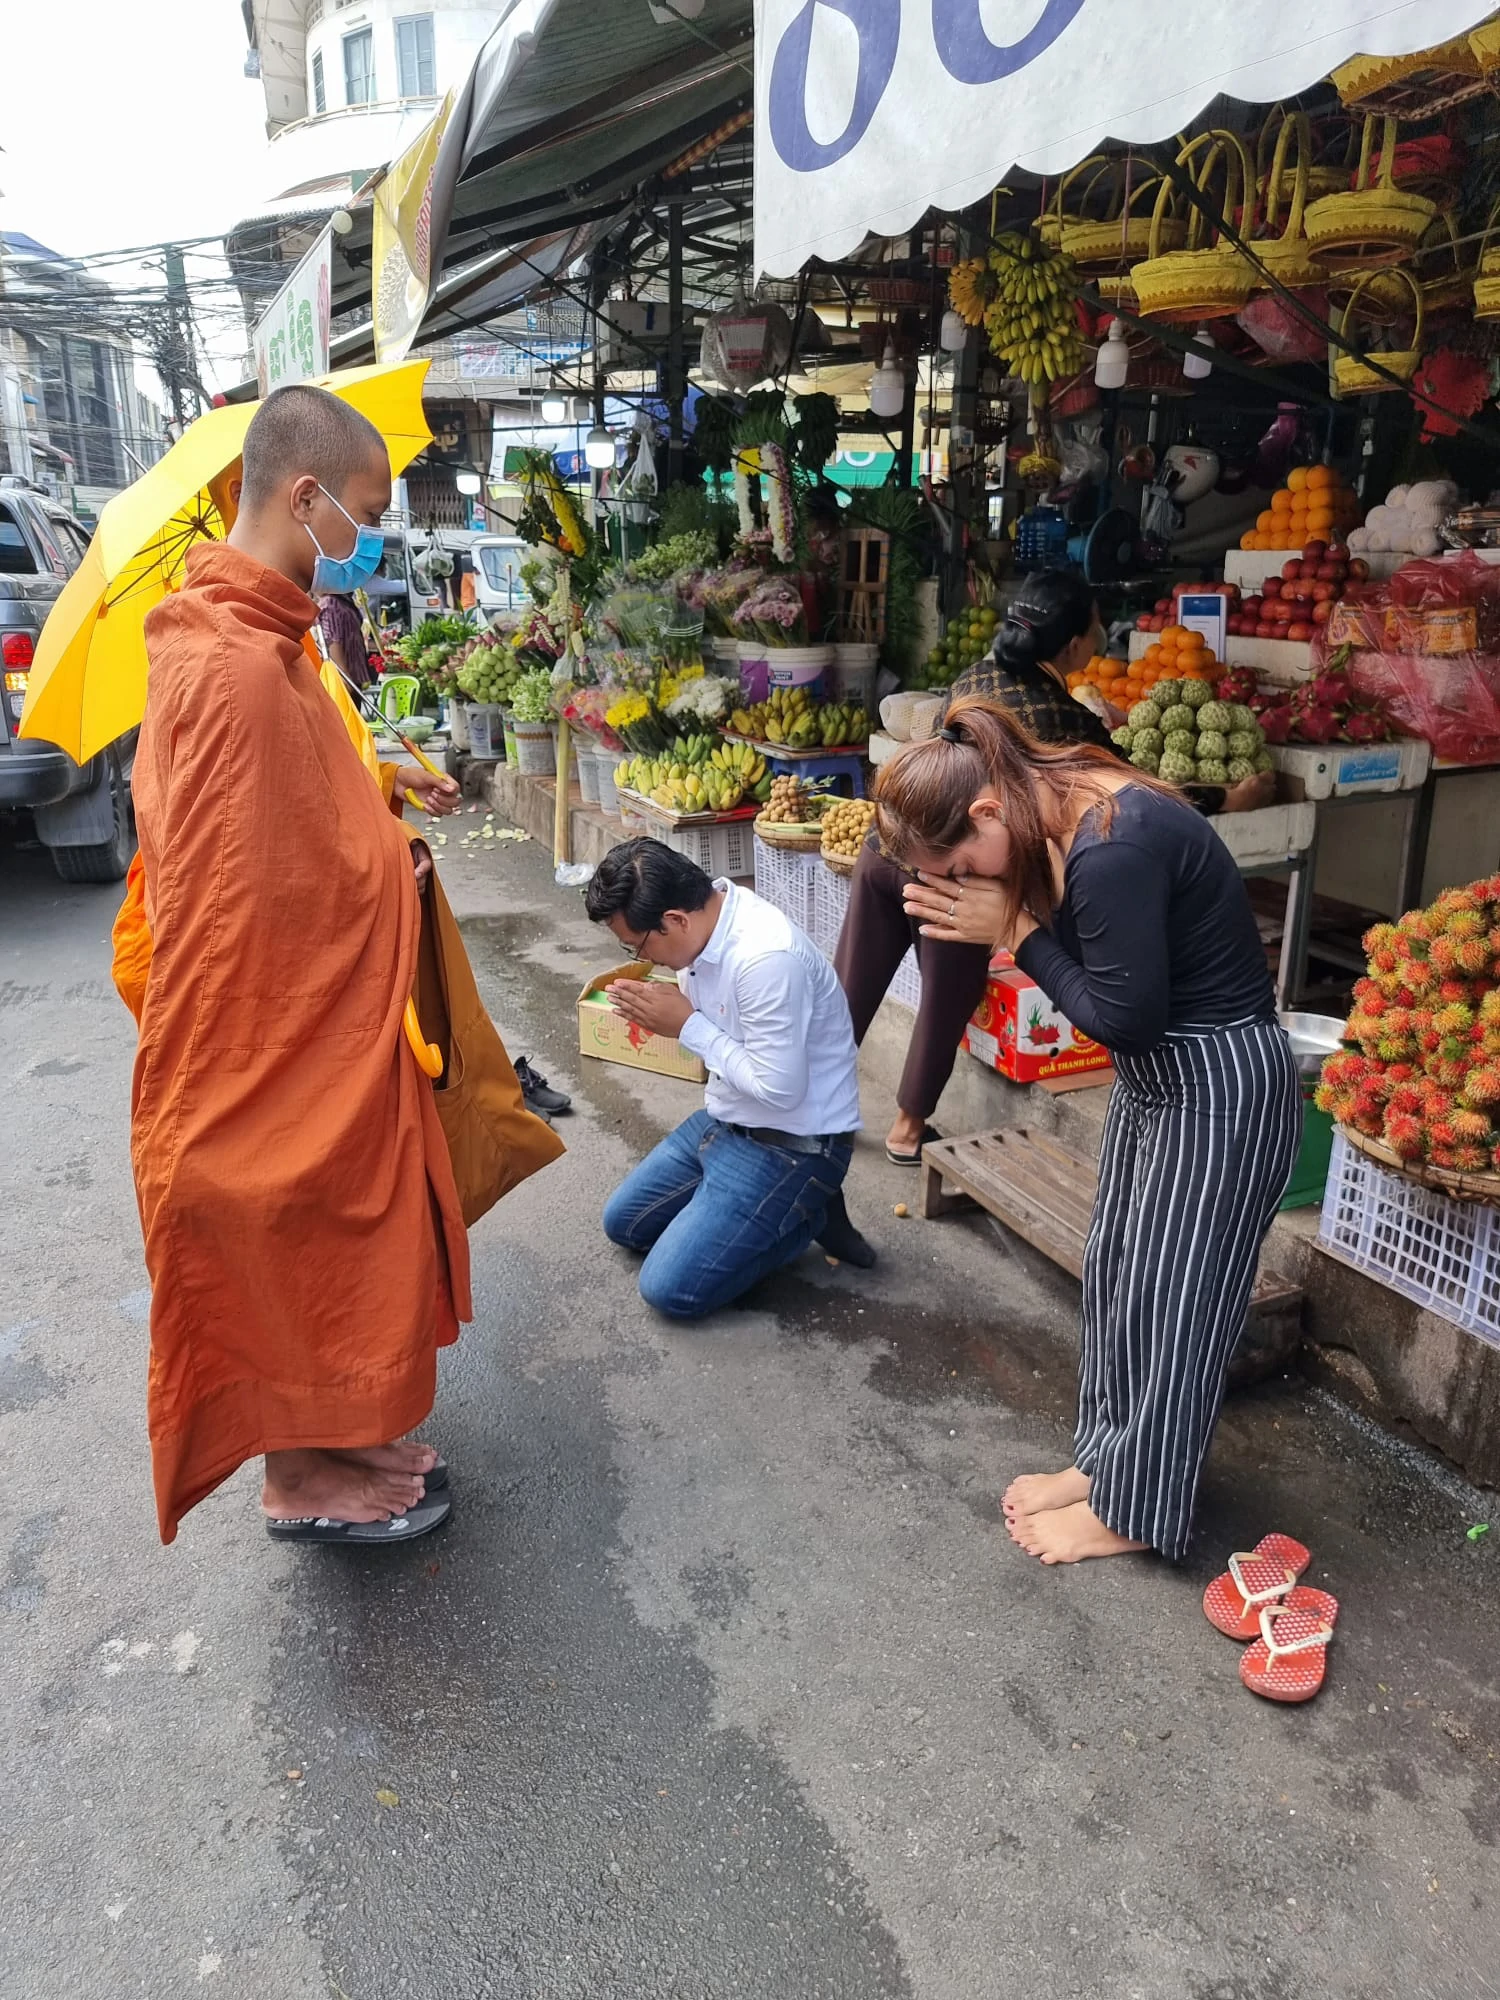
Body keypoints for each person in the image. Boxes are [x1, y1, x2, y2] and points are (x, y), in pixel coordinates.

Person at [128, 383, 473, 1547]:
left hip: (325, 1017)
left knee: (347, 1235)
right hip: (268, 1038)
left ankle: (338, 1431)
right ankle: (297, 1474)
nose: (371, 542)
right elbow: (247, 901)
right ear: (307, 495)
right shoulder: (225, 664)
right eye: (366, 514)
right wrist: (385, 874)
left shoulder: (270, 640)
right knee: (294, 1220)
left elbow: (310, 809)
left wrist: (382, 824)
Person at [874, 697, 1300, 1566]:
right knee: (1119, 1273)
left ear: (987, 809)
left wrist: (1020, 932)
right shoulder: (1045, 802)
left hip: (1219, 1083)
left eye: (960, 862)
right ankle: (1108, 1464)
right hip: (1166, 1081)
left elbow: (1123, 1019)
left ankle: (1138, 1511)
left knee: (1179, 1304)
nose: (965, 882)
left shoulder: (1109, 843)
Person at [835, 570, 1273, 1166]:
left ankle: (814, 1118)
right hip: (937, 845)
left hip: (892, 841)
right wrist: (1013, 922)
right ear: (1074, 645)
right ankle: (907, 1129)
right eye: (1097, 631)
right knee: (950, 992)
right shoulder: (1073, 738)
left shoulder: (972, 689)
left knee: (852, 984)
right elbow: (1151, 791)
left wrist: (1020, 926)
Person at [585, 839, 870, 1317]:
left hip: (791, 1144)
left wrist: (686, 1026)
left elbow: (780, 1090)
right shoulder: (704, 926)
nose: (643, 957)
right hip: (726, 1120)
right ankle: (745, 1212)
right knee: (624, 1225)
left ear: (675, 920)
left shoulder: (765, 959)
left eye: (638, 944)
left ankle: (807, 1213)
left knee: (668, 1289)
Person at [317, 588, 373, 686]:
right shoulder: (331, 604)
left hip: (353, 677)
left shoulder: (343, 601)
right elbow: (333, 641)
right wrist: (344, 679)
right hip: (345, 680)